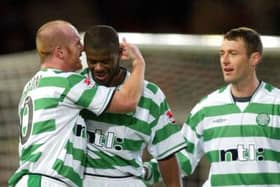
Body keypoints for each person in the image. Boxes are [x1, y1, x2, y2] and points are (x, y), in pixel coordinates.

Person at [8, 20, 145, 187]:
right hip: (49, 181)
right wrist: (138, 63)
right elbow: (127, 102)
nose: (83, 48)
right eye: (77, 43)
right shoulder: (67, 82)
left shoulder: (31, 86)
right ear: (60, 52)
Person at [144, 27, 280, 186]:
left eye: (233, 53)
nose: (225, 60)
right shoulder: (205, 109)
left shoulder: (276, 104)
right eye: (222, 53)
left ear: (254, 58)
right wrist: (144, 171)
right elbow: (182, 158)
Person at [80, 25, 186, 187]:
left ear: (120, 53)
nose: (99, 67)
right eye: (92, 61)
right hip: (80, 180)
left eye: (106, 61)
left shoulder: (150, 95)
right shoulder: (76, 87)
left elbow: (167, 155)